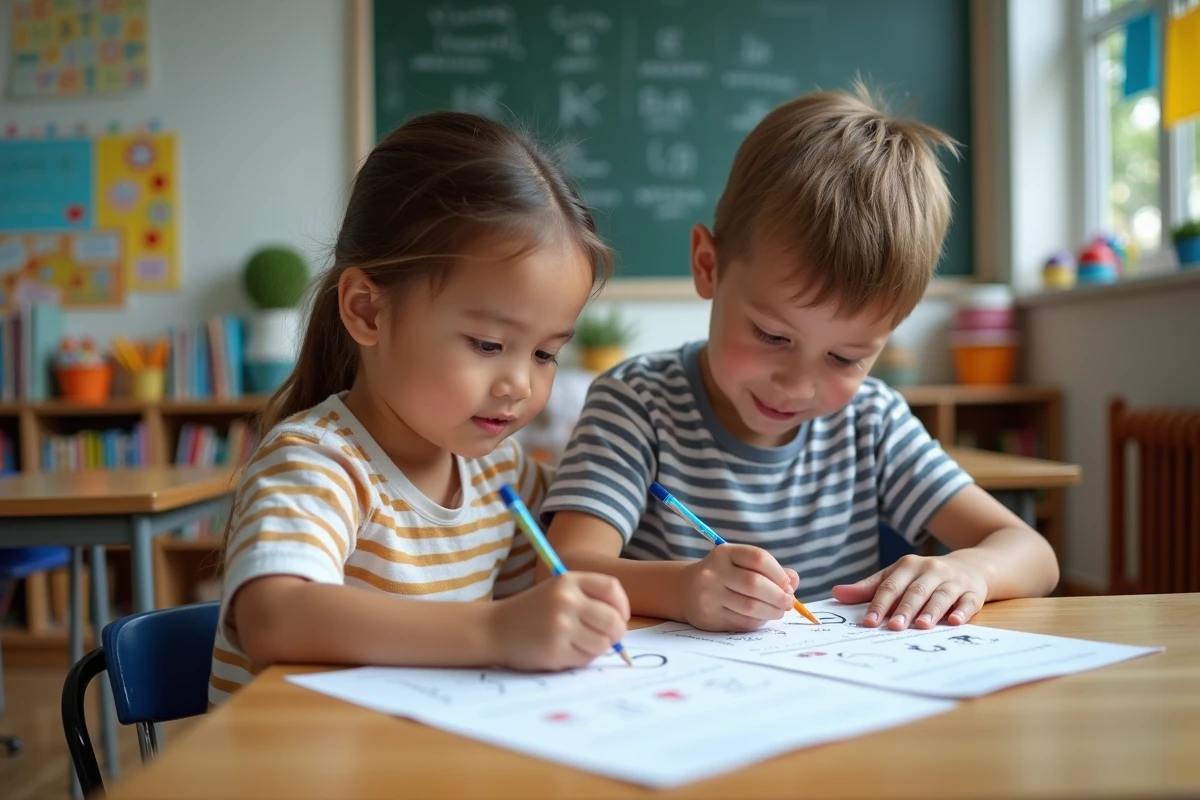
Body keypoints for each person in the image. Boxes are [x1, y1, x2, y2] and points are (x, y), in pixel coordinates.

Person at [541, 84, 1059, 633]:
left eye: (845, 357)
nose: (797, 384)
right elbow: (562, 568)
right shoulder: (636, 403)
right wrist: (684, 589)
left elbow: (1033, 553)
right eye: (772, 335)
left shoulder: (872, 422)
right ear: (708, 265)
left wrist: (972, 568)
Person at [209, 111, 631, 705]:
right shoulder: (318, 463)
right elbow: (274, 618)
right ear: (367, 310)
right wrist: (498, 630)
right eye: (488, 345)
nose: (518, 383)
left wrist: (690, 586)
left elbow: (567, 566)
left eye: (544, 353)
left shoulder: (499, 471)